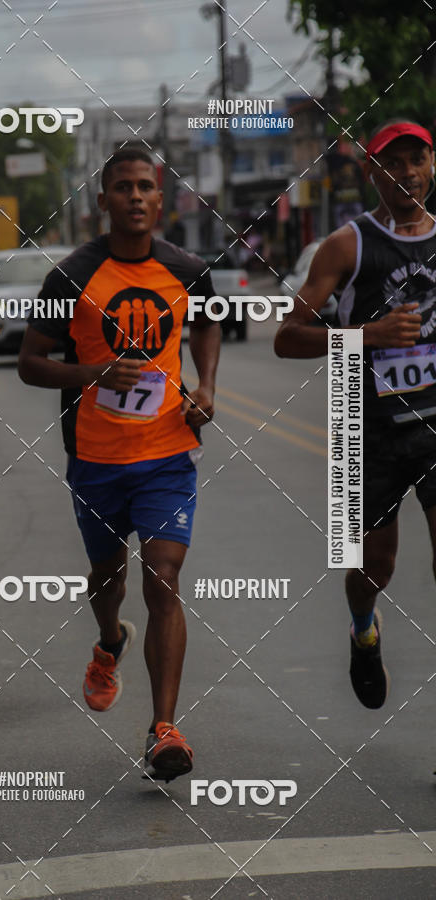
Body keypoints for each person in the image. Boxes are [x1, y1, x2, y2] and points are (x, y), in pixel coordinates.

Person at [18, 148, 220, 781]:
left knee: (164, 577)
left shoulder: (188, 270)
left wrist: (206, 385)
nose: (135, 196)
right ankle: (110, 641)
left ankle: (164, 730)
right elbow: (30, 363)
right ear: (102, 200)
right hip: (96, 460)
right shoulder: (71, 278)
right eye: (123, 187)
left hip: (166, 453)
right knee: (109, 576)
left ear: (160, 199)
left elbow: (208, 324)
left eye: (145, 187)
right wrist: (92, 373)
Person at [274, 120, 436, 710]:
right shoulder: (347, 245)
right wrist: (368, 334)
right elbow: (287, 338)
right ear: (372, 172)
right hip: (360, 423)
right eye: (393, 162)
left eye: (417, 159)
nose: (407, 173)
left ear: (433, 165)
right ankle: (363, 630)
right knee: (373, 567)